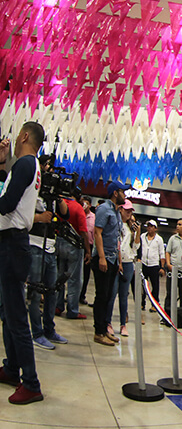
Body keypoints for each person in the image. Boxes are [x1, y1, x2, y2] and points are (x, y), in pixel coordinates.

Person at [0, 121, 46, 404]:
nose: (15, 139)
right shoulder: (30, 166)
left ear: (25, 136)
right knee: (8, 311)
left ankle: (31, 383)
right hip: (13, 243)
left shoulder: (26, 164)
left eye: (18, 135)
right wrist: (3, 163)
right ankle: (12, 368)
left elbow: (6, 204)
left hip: (12, 245)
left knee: (16, 316)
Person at [27, 192, 68, 351]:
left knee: (52, 292)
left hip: (51, 247)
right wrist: (39, 218)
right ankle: (37, 333)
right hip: (35, 245)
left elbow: (65, 214)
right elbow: (21, 216)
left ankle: (49, 330)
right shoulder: (33, 191)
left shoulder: (53, 196)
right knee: (35, 293)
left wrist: (59, 198)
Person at [93, 180, 127, 347]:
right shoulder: (104, 209)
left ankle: (104, 328)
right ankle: (98, 332)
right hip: (103, 258)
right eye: (123, 192)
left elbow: (116, 238)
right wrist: (101, 257)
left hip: (113, 259)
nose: (125, 195)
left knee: (108, 296)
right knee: (101, 295)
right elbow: (97, 233)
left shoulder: (117, 211)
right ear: (115, 193)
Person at [55, 189, 90, 320]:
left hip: (59, 242)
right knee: (74, 280)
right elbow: (83, 231)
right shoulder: (78, 208)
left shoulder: (60, 205)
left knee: (59, 277)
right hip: (74, 246)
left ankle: (57, 306)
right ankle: (72, 310)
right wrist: (88, 250)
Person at [107, 201, 139, 337]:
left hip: (128, 263)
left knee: (124, 295)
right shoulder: (116, 224)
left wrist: (137, 232)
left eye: (130, 211)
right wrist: (118, 262)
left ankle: (123, 324)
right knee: (112, 293)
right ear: (120, 209)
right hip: (116, 262)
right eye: (127, 210)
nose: (129, 213)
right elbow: (116, 244)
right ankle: (108, 322)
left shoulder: (131, 228)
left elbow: (135, 247)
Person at [139, 220, 164, 310]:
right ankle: (142, 303)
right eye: (148, 226)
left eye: (151, 226)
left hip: (154, 265)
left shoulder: (159, 239)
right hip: (144, 264)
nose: (149, 227)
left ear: (155, 228)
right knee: (142, 285)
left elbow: (162, 253)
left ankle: (155, 304)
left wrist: (162, 267)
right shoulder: (142, 236)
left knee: (155, 286)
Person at [78, 196, 95, 306]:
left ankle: (82, 295)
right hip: (77, 245)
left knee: (86, 273)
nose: (84, 206)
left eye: (86, 203)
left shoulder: (94, 218)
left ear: (90, 205)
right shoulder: (78, 213)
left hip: (89, 246)